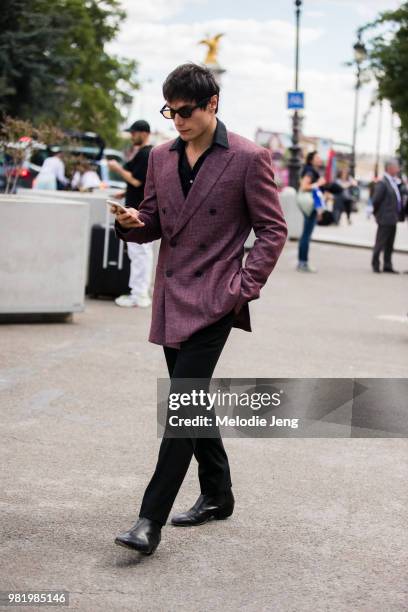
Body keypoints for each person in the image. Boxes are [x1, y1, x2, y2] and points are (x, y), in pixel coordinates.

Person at [112, 62, 288, 555]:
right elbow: (154, 220)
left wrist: (243, 287)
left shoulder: (250, 159)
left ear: (212, 104)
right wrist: (131, 222)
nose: (177, 121)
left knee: (181, 408)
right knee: (193, 400)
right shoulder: (162, 158)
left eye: (185, 111)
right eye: (169, 111)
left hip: (215, 298)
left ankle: (150, 520)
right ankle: (218, 492)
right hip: (172, 297)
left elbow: (273, 229)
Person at [108, 120, 153, 308]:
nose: (132, 136)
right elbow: (141, 184)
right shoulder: (145, 154)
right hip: (137, 207)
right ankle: (138, 292)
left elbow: (137, 182)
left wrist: (118, 169)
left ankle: (139, 294)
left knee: (140, 252)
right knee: (139, 252)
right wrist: (125, 192)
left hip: (139, 210)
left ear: (144, 133)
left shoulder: (146, 154)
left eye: (134, 133)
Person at [371, 158, 405, 274]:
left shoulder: (394, 181)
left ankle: (387, 264)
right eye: (396, 167)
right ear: (390, 168)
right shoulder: (383, 182)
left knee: (390, 244)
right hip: (385, 217)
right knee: (380, 242)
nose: (398, 169)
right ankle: (375, 264)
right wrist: (377, 214)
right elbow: (376, 200)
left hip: (393, 217)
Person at [297, 151, 325, 272]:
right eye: (317, 157)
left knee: (306, 234)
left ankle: (302, 262)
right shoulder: (310, 171)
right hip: (310, 205)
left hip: (311, 205)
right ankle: (303, 263)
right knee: (306, 235)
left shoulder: (311, 170)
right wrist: (318, 183)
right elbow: (304, 186)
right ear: (311, 160)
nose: (320, 159)